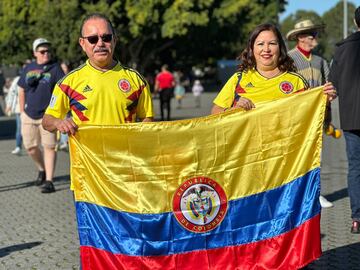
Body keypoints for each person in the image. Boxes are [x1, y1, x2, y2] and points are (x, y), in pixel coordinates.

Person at [42, 13, 153, 146]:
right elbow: (47, 120)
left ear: (114, 40)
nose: (100, 43)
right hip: (88, 165)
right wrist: (58, 122)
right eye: (93, 39)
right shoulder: (67, 83)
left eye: (106, 38)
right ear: (82, 43)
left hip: (125, 163)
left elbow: (148, 120)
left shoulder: (137, 80)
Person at [286, 19, 335, 209]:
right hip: (294, 119)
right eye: (310, 35)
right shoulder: (288, 60)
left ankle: (316, 194)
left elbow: (331, 83)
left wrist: (331, 94)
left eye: (315, 34)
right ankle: (294, 197)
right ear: (299, 38)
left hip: (317, 117)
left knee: (316, 156)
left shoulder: (320, 61)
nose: (315, 38)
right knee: (295, 157)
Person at [18, 38, 65, 193]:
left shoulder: (55, 68)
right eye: (42, 51)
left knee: (49, 148)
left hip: (48, 116)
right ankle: (41, 169)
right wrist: (22, 112)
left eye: (48, 51)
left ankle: (49, 181)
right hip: (29, 114)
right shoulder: (28, 68)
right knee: (30, 147)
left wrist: (60, 114)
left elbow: (64, 90)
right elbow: (21, 89)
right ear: (35, 53)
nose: (46, 54)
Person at [329, 6, 360, 234]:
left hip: (351, 119)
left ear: (356, 23)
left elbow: (332, 87)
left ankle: (357, 218)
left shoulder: (342, 50)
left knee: (355, 168)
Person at [5, 76, 22, 155]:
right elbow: (12, 92)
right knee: (19, 128)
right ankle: (18, 146)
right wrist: (9, 105)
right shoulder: (17, 79)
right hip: (19, 108)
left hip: (31, 109)